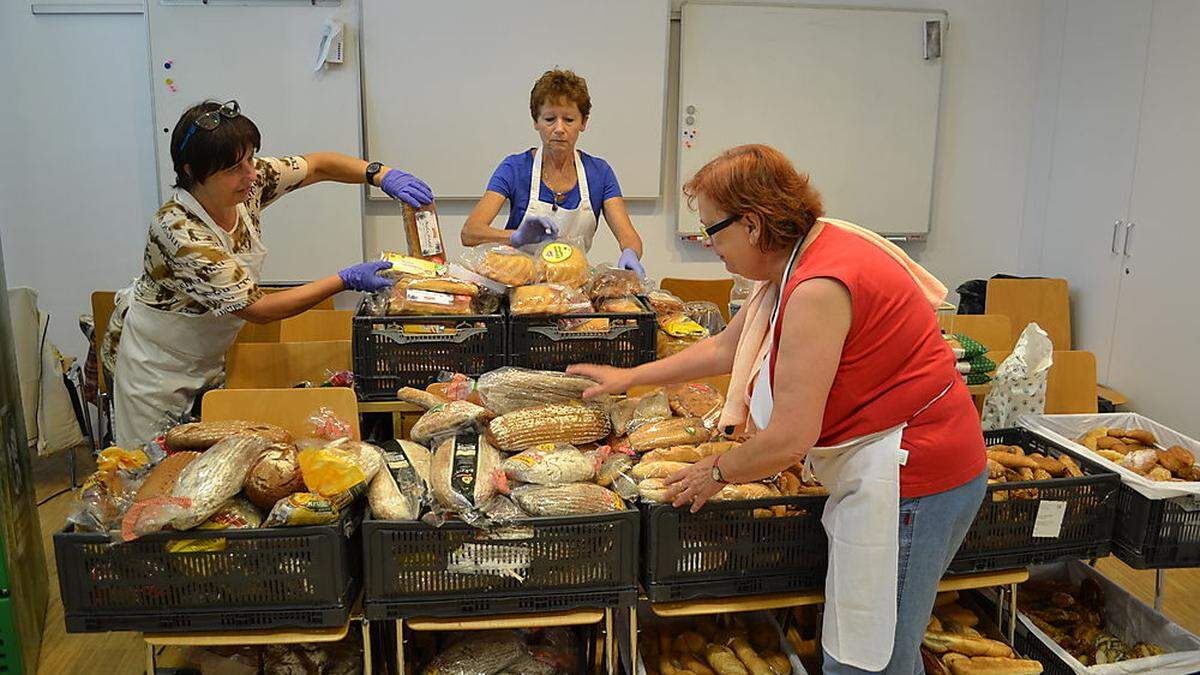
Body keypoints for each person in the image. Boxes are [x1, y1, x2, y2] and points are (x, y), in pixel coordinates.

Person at [569, 144, 987, 674]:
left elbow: (790, 437)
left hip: (914, 479)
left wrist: (716, 471)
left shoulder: (818, 286)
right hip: (891, 464)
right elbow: (727, 348)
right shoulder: (802, 252)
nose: (706, 242)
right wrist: (628, 378)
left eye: (711, 229)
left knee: (868, 656)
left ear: (754, 224)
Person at [105, 99, 432, 449]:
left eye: (250, 159)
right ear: (192, 172)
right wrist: (344, 279)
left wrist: (379, 174)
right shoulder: (180, 231)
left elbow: (317, 166)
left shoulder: (246, 183)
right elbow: (258, 310)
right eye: (235, 168)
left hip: (211, 355)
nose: (251, 174)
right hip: (159, 369)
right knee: (152, 468)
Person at [460, 69, 645, 276]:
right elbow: (470, 233)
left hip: (574, 289)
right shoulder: (514, 168)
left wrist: (630, 253)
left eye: (569, 119)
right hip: (518, 287)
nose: (559, 128)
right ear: (536, 122)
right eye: (549, 119)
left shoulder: (600, 173)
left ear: (583, 123)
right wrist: (515, 237)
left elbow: (629, 236)